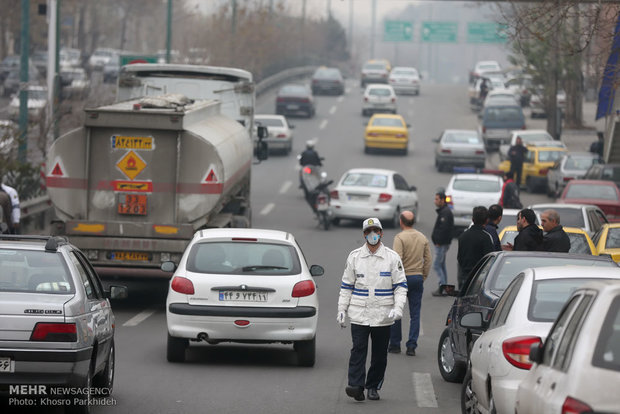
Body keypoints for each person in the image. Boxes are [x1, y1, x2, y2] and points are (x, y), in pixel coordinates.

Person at [337, 218, 407, 402]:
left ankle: (373, 386)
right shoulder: (354, 257)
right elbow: (346, 286)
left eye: (376, 230)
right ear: (364, 235)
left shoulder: (392, 257)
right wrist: (342, 309)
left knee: (379, 354)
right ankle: (356, 385)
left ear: (381, 233)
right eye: (369, 231)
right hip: (359, 313)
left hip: (383, 314)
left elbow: (400, 286)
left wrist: (397, 309)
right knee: (358, 349)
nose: (372, 234)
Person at [388, 211, 431, 357]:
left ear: (401, 222)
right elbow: (428, 259)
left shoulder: (399, 238)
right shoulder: (422, 237)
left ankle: (395, 344)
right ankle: (411, 346)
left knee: (397, 310)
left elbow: (397, 260)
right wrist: (423, 275)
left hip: (402, 279)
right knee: (415, 313)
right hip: (417, 278)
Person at [457, 206, 494, 290]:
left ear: (473, 219)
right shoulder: (486, 237)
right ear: (487, 220)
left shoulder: (463, 236)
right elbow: (490, 260)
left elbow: (460, 258)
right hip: (480, 277)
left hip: (465, 276)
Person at [431, 189, 454, 296]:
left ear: (442, 200)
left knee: (436, 265)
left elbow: (444, 229)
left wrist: (439, 242)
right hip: (442, 243)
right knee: (442, 265)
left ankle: (442, 287)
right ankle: (444, 287)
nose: (435, 201)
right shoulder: (444, 211)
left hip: (441, 244)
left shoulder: (445, 213)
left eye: (437, 199)